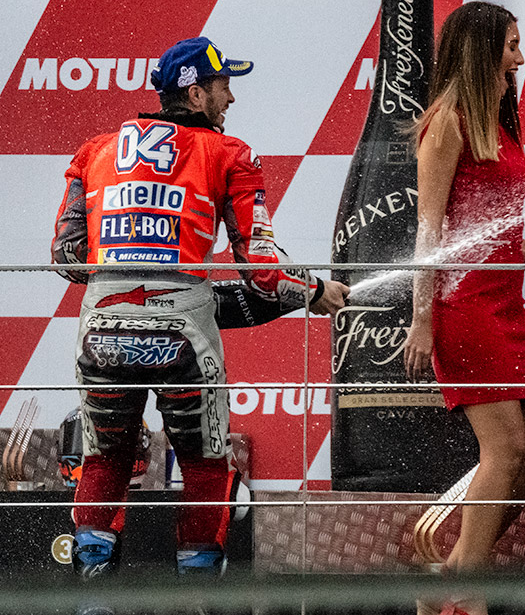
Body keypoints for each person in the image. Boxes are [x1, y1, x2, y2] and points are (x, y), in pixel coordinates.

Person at [52, 36, 349, 581]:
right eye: (223, 86)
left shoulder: (93, 152)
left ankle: (89, 593)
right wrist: (313, 292)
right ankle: (196, 597)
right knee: (206, 465)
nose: (230, 98)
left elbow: (67, 257)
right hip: (183, 336)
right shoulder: (229, 154)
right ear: (195, 93)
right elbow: (260, 266)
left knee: (104, 461)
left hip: (101, 333)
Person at [400, 2, 525, 615]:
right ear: (483, 50)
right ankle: (468, 591)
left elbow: (497, 233)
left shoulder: (500, 123)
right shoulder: (446, 124)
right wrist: (422, 318)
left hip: (506, 307)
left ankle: (449, 575)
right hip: (463, 309)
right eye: (511, 44)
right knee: (505, 450)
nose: (519, 56)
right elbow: (430, 233)